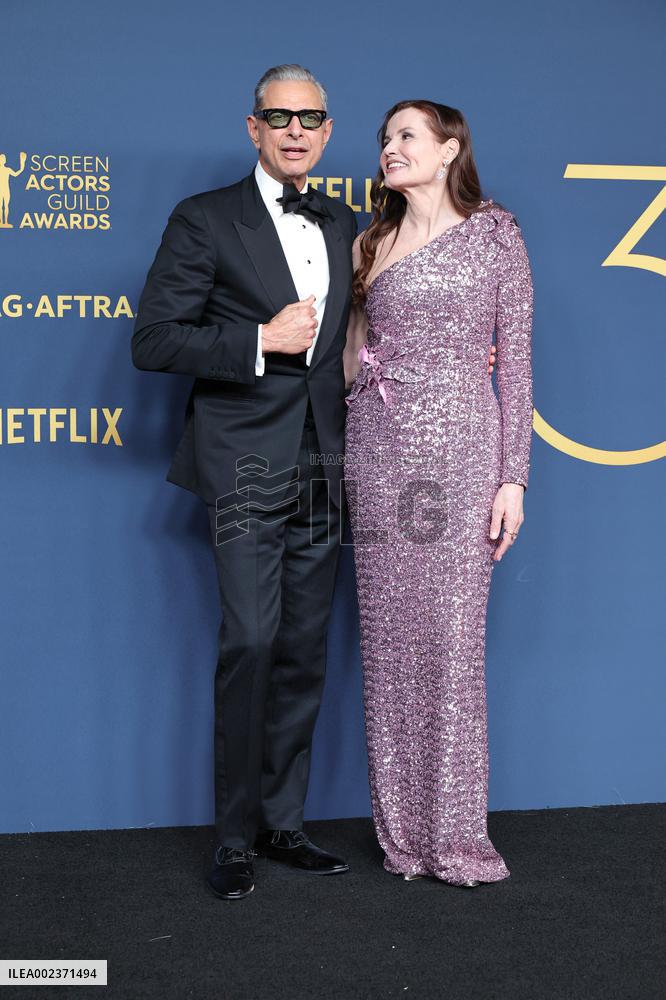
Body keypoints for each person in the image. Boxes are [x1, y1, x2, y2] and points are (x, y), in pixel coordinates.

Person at [132, 64, 359, 901]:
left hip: (324, 467)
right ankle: (232, 838)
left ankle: (283, 823)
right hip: (243, 462)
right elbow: (153, 340)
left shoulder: (345, 223)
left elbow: (357, 339)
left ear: (327, 131)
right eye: (279, 116)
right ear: (253, 127)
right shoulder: (205, 219)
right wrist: (260, 340)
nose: (296, 130)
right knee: (252, 642)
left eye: (311, 118)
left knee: (304, 651)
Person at [343, 100, 533, 887]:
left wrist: (513, 476)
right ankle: (402, 841)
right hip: (378, 452)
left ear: (450, 148)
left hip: (460, 451)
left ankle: (454, 839)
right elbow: (354, 355)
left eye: (407, 137)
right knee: (387, 649)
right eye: (385, 139)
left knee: (451, 645)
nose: (391, 149)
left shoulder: (497, 234)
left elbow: (516, 362)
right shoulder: (370, 241)